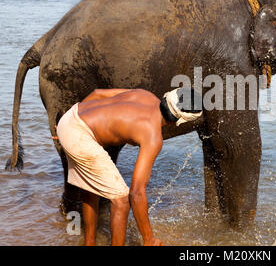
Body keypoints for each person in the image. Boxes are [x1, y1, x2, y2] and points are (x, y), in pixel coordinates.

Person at [56, 87, 203, 246]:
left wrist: (69, 129)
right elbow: (136, 192)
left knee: (92, 188)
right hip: (79, 135)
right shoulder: (153, 136)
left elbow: (97, 93)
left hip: (71, 116)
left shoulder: (145, 94)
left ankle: (89, 242)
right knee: (121, 201)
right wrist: (149, 239)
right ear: (181, 121)